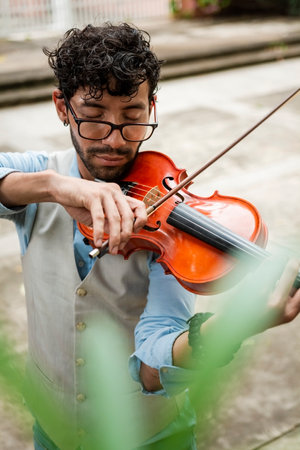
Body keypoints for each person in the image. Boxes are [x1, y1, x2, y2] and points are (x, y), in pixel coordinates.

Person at [0, 23, 300, 450]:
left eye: (132, 118)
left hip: (154, 438)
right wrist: (52, 187)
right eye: (93, 116)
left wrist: (236, 326)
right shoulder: (40, 173)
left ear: (151, 107)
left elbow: (152, 369)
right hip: (52, 431)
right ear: (62, 107)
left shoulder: (170, 223)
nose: (113, 140)